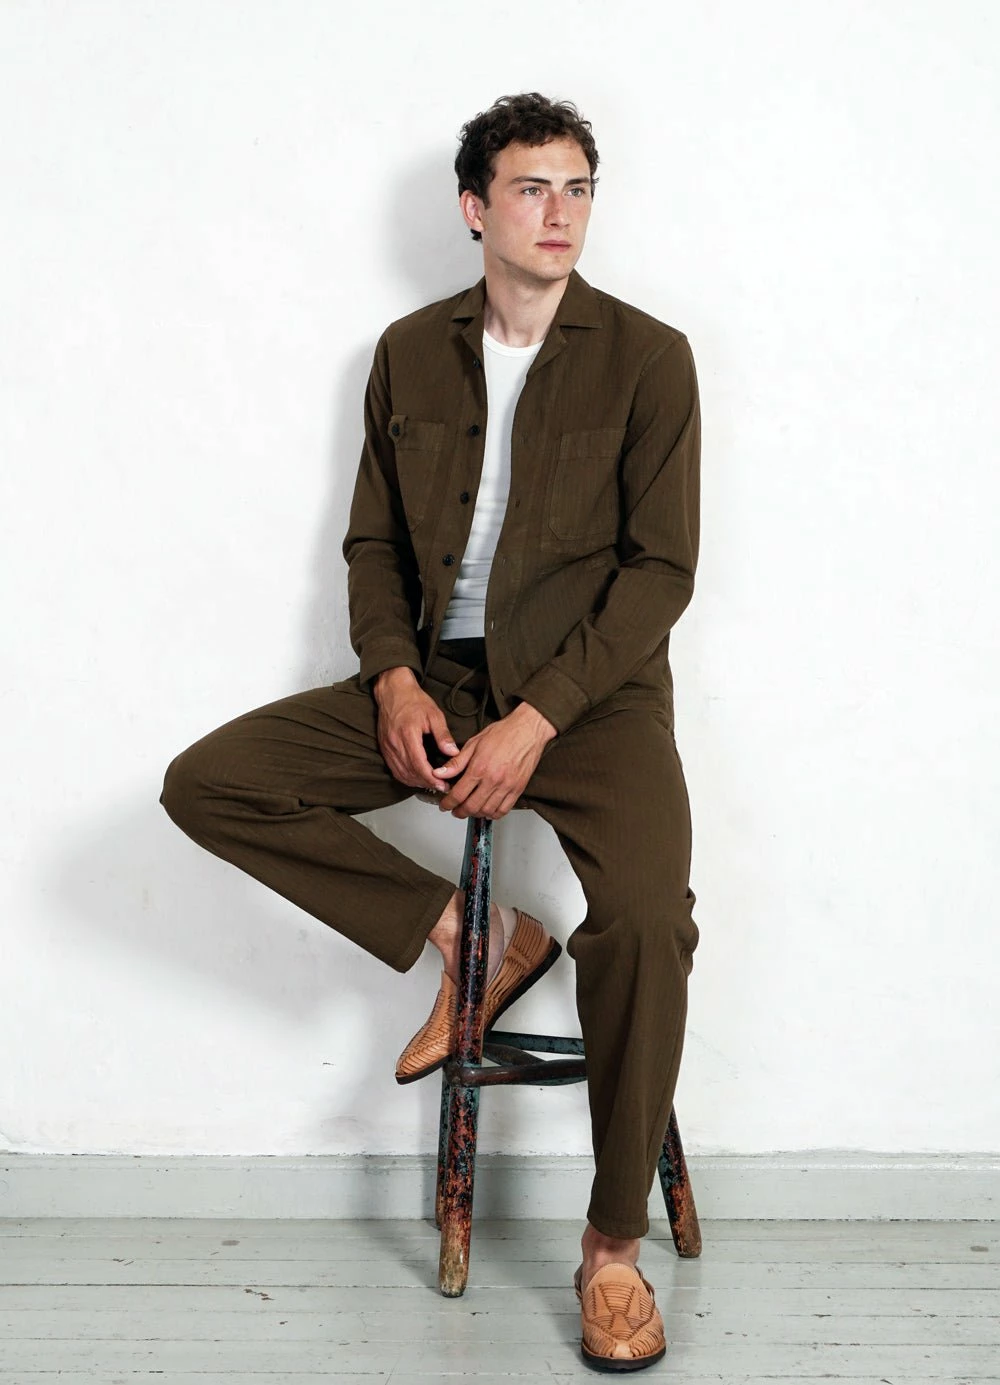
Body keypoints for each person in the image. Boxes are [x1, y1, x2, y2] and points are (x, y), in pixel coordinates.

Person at [161, 92, 700, 1372]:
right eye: (531, 187)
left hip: (593, 697)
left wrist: (539, 716)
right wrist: (394, 679)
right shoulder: (408, 353)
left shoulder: (649, 355)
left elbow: (661, 571)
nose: (560, 212)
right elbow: (372, 544)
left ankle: (611, 1244)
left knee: (644, 919)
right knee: (212, 782)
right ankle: (476, 936)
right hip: (439, 682)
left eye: (578, 187)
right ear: (474, 207)